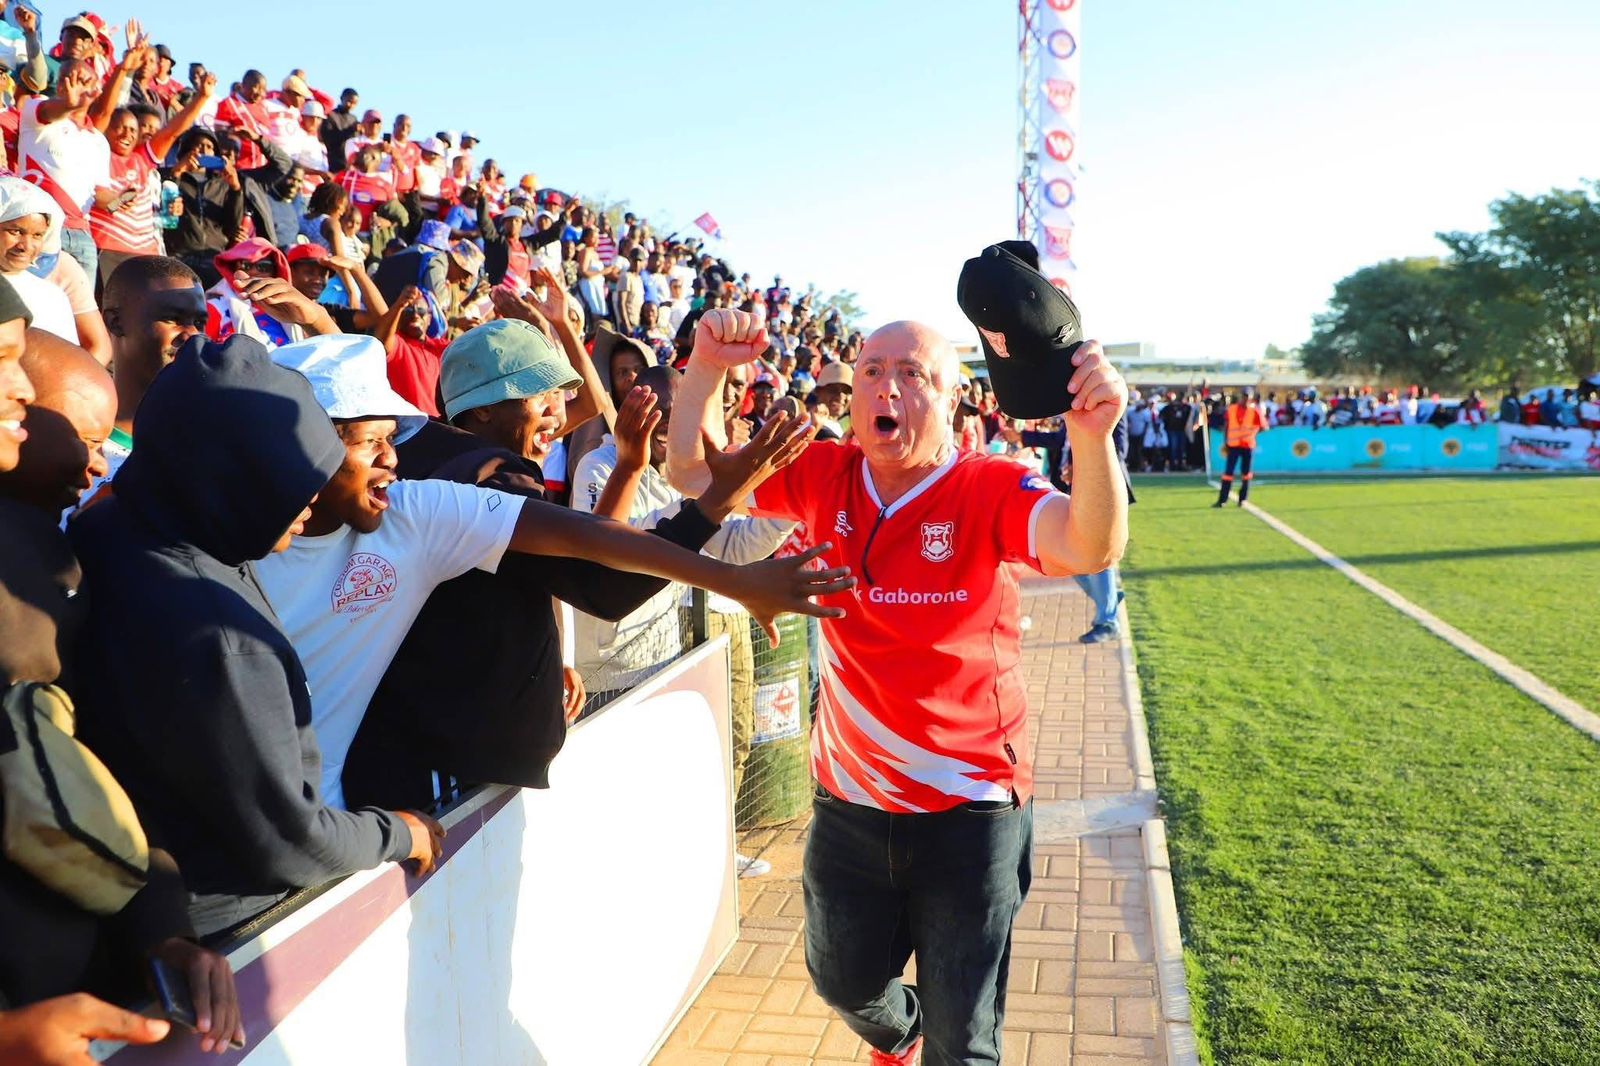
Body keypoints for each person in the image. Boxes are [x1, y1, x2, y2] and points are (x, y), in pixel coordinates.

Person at [667, 311, 1128, 1066]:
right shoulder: (822, 473)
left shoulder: (991, 484)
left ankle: (934, 1040)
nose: (886, 386)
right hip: (849, 806)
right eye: (872, 371)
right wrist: (707, 368)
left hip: (969, 813)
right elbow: (694, 475)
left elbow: (1088, 543)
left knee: (964, 1045)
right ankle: (899, 1034)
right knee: (843, 983)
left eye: (913, 374)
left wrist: (1091, 436)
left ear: (954, 400)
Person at [255, 332, 850, 812]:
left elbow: (587, 555)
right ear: (485, 408)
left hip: (394, 776)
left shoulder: (423, 475)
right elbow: (605, 585)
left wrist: (628, 473)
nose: (560, 413)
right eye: (540, 395)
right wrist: (717, 514)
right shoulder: (481, 474)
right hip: (442, 779)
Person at [68, 334, 445, 940]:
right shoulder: (218, 633)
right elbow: (290, 841)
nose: (311, 501)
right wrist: (401, 833)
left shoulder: (116, 521)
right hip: (224, 933)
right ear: (232, 475)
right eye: (292, 480)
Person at [571, 365, 797, 877]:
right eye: (667, 418)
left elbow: (735, 549)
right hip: (610, 669)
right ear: (641, 410)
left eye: (684, 422)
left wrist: (791, 503)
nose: (675, 433)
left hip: (665, 658)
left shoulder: (686, 475)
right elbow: (612, 550)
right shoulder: (600, 467)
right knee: (618, 813)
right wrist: (701, 506)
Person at [17, 57, 109, 280]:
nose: (77, 86)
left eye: (85, 80)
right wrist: (69, 105)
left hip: (82, 235)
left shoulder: (98, 140)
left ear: (95, 87)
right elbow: (51, 111)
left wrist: (121, 199)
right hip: (41, 229)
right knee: (32, 305)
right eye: (70, 79)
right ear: (59, 84)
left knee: (80, 312)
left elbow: (101, 194)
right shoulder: (35, 110)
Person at [1215, 389, 1268, 507]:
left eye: (1247, 396)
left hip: (1247, 445)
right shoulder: (1232, 409)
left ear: (1251, 398)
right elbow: (1227, 426)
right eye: (1243, 396)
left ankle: (1242, 499)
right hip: (1233, 445)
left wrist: (1251, 434)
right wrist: (1226, 442)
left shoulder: (1254, 411)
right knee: (1228, 473)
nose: (1244, 398)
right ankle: (1222, 500)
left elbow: (1264, 426)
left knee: (1246, 473)